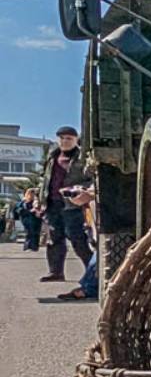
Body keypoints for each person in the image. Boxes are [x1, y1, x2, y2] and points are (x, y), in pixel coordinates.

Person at [38, 126, 93, 283]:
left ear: (75, 140)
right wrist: (40, 199)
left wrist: (78, 190)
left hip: (72, 204)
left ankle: (92, 273)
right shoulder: (52, 157)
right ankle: (55, 272)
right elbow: (45, 179)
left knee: (77, 238)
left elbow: (91, 179)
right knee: (54, 239)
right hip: (52, 203)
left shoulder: (82, 158)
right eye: (61, 138)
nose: (64, 141)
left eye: (68, 138)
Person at [57, 187, 98, 301]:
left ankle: (89, 288)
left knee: (99, 249)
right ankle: (88, 286)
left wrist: (89, 192)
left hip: (107, 210)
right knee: (98, 249)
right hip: (94, 210)